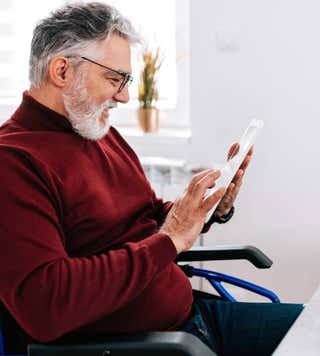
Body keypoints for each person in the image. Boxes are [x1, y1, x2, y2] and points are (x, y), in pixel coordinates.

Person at [0, 3, 302, 355]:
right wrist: (170, 239)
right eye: (115, 79)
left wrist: (205, 210)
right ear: (62, 71)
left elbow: (146, 218)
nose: (125, 96)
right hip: (148, 345)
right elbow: (44, 306)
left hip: (191, 318)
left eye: (126, 81)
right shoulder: (14, 163)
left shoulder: (94, 130)